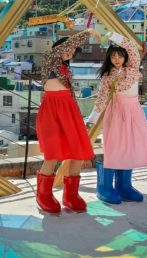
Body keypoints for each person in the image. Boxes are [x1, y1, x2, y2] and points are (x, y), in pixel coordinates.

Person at [36, 28, 101, 214]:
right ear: (59, 48)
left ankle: (71, 195)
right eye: (68, 48)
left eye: (73, 51)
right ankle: (43, 194)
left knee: (77, 151)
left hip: (68, 107)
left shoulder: (67, 68)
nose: (70, 52)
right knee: (53, 152)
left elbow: (68, 92)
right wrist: (88, 32)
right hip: (52, 109)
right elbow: (65, 47)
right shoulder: (50, 58)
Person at [87, 32, 147, 204]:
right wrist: (92, 119)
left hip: (134, 111)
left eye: (120, 55)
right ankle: (104, 187)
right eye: (113, 56)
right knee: (114, 148)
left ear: (125, 57)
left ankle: (124, 186)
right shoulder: (107, 77)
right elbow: (101, 99)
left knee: (131, 147)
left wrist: (109, 34)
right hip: (117, 112)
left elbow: (132, 46)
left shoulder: (132, 69)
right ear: (108, 58)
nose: (117, 59)